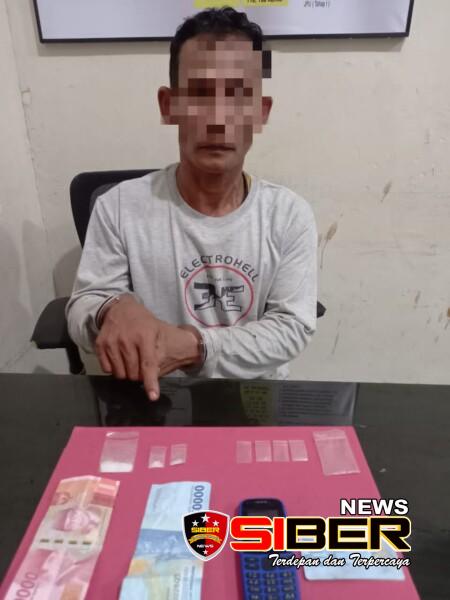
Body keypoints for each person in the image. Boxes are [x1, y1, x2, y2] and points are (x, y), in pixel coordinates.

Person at [66, 7, 318, 401]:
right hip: (153, 398)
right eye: (200, 94)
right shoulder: (118, 206)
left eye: (237, 96)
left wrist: (193, 346)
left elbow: (292, 328)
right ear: (168, 105)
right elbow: (82, 307)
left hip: (255, 400)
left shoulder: (288, 215)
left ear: (260, 112)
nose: (217, 119)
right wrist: (111, 308)